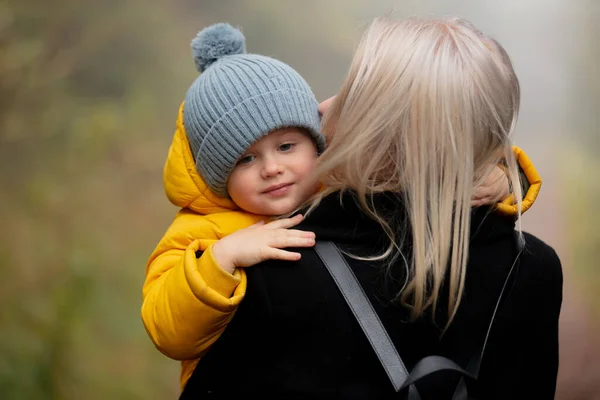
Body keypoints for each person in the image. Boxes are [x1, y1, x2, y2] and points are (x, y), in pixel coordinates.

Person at [141, 22, 543, 394]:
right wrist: (220, 257)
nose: (273, 168)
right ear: (217, 174)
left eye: (286, 146)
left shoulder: (313, 220)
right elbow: (167, 327)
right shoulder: (207, 237)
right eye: (245, 159)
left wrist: (495, 176)